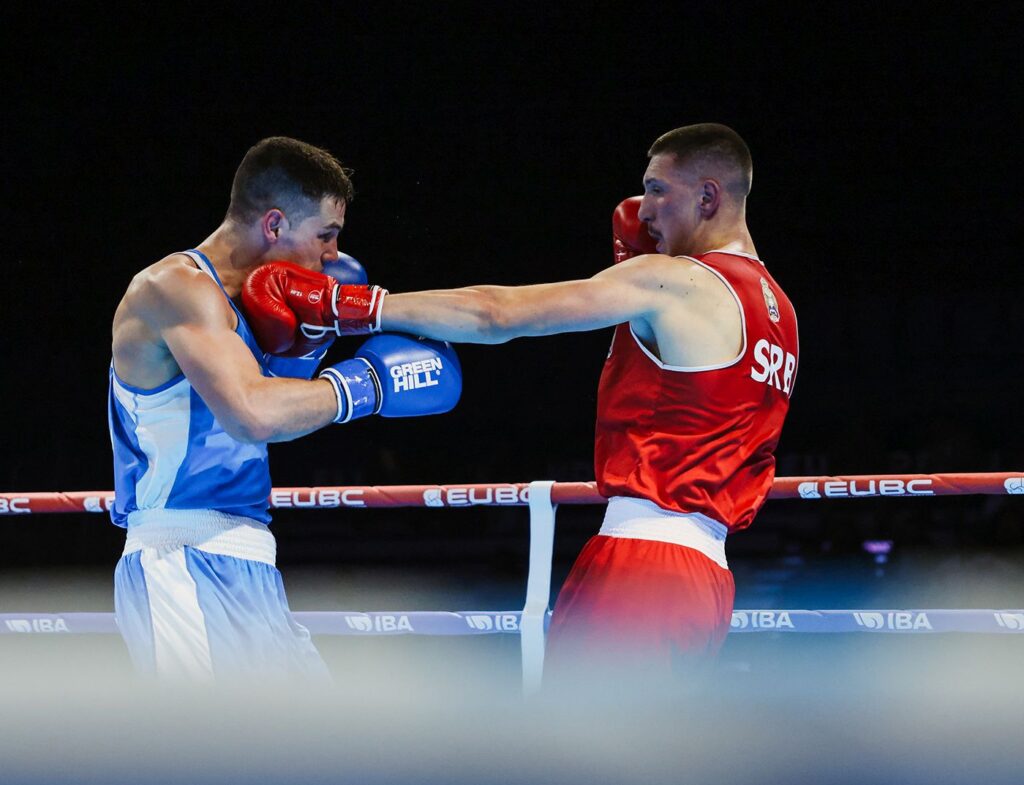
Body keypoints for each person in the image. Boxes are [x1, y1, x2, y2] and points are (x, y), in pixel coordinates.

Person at [245, 123, 799, 685]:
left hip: (644, 566)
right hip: (706, 580)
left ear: (708, 197)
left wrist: (350, 306)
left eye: (658, 189)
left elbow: (497, 315)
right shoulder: (780, 311)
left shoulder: (676, 281)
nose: (644, 209)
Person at [108, 136, 461, 682]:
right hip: (180, 555)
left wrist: (309, 348)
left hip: (252, 556)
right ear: (274, 225)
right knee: (210, 759)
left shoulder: (260, 307)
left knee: (314, 752)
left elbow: (266, 415)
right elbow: (252, 415)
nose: (332, 256)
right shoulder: (174, 288)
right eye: (326, 235)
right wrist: (366, 384)